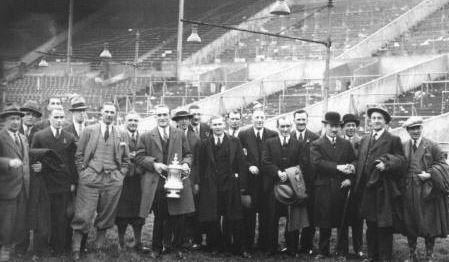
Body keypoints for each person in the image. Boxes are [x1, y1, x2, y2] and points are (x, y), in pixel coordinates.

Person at [71, 102, 130, 260]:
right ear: (100, 113)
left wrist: (120, 175)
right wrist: (83, 173)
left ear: (115, 114)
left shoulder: (122, 133)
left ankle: (98, 246)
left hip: (112, 180)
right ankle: (76, 248)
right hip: (90, 178)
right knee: (83, 214)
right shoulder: (89, 131)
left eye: (112, 112)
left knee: (106, 214)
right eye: (106, 112)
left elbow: (126, 159)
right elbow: (79, 155)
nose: (109, 114)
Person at [136, 105, 193, 259]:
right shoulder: (146, 136)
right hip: (157, 182)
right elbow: (139, 157)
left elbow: (188, 154)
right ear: (155, 117)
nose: (162, 117)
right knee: (160, 216)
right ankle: (156, 247)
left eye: (165, 115)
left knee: (179, 216)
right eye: (159, 115)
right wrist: (154, 164)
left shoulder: (179, 134)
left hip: (176, 180)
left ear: (169, 116)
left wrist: (186, 164)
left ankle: (177, 247)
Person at [353, 105, 405, 262]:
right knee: (370, 225)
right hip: (366, 190)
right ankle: (372, 256)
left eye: (379, 118)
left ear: (385, 122)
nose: (375, 121)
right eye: (373, 118)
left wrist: (387, 164)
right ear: (369, 121)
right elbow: (360, 161)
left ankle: (384, 258)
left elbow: (402, 160)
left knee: (384, 226)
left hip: (383, 190)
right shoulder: (365, 139)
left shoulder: (393, 139)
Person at [197, 116, 250, 258]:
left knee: (234, 217)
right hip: (211, 187)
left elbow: (241, 164)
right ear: (211, 126)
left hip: (231, 186)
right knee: (213, 217)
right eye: (215, 124)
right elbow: (201, 166)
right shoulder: (204, 144)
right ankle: (216, 246)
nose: (218, 127)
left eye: (220, 124)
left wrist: (242, 186)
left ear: (224, 124)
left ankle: (237, 246)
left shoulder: (234, 141)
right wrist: (202, 184)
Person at [401, 117, 449, 262]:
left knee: (429, 223)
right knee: (410, 222)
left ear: (422, 128)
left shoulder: (432, 145)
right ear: (407, 131)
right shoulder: (403, 146)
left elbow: (443, 165)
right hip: (409, 191)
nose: (415, 131)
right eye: (412, 128)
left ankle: (429, 255)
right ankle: (412, 253)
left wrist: (430, 174)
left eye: (418, 128)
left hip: (427, 191)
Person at [31, 108, 77, 255]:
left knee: (61, 217)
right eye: (56, 117)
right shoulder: (39, 136)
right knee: (43, 218)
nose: (59, 120)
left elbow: (72, 162)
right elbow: (33, 157)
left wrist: (72, 182)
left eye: (61, 117)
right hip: (45, 183)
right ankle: (41, 249)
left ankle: (59, 248)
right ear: (49, 118)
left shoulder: (69, 138)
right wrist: (40, 167)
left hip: (63, 184)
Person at [311, 112, 356, 261]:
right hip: (324, 188)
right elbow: (317, 163)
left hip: (342, 187)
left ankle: (342, 251)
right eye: (332, 126)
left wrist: (350, 177)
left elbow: (354, 161)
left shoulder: (346, 144)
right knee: (325, 221)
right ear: (325, 126)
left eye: (337, 126)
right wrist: (338, 167)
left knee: (342, 220)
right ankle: (323, 251)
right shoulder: (317, 144)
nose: (335, 129)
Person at [262, 116, 308, 256]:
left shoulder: (298, 143)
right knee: (272, 219)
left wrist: (289, 173)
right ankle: (271, 248)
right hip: (273, 187)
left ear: (291, 126)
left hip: (292, 187)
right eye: (282, 126)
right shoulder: (269, 142)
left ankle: (292, 247)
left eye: (288, 126)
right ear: (278, 128)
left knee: (291, 218)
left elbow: (302, 163)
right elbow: (265, 161)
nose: (285, 129)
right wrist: (277, 172)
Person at [238, 109, 277, 253]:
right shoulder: (243, 134)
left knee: (267, 215)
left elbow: (274, 157)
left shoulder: (273, 134)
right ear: (252, 119)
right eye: (257, 117)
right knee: (248, 216)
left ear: (265, 119)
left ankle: (264, 245)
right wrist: (249, 166)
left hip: (267, 182)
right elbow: (240, 156)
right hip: (250, 182)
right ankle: (247, 245)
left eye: (262, 117)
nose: (259, 120)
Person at [0, 105, 33, 262]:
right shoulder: (1, 137)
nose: (15, 122)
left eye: (18, 119)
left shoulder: (23, 138)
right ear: (5, 121)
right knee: (6, 220)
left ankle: (15, 247)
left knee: (19, 220)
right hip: (7, 188)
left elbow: (26, 159)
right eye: (12, 119)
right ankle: (4, 249)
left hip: (23, 187)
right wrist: (8, 162)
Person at [115, 111, 146, 251]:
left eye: (135, 120)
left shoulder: (143, 137)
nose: (133, 123)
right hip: (124, 180)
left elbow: (146, 155)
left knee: (139, 213)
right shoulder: (119, 136)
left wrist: (138, 159)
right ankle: (120, 242)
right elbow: (115, 156)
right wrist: (129, 157)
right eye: (130, 120)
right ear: (125, 121)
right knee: (122, 214)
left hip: (139, 181)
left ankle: (138, 241)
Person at [172, 110, 202, 250]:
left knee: (191, 211)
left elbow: (196, 162)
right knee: (175, 209)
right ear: (176, 121)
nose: (184, 121)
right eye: (181, 119)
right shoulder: (171, 134)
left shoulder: (195, 137)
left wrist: (195, 182)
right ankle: (176, 238)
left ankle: (192, 238)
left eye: (186, 119)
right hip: (173, 177)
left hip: (190, 178)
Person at [291, 109, 319, 255]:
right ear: (294, 120)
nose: (301, 122)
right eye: (298, 119)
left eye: (303, 119)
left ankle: (307, 245)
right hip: (293, 184)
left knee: (310, 215)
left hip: (310, 184)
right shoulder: (288, 137)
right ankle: (292, 245)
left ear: (307, 120)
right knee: (293, 214)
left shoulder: (315, 138)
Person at [341, 113, 364, 258]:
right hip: (340, 185)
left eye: (353, 126)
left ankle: (358, 248)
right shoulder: (339, 141)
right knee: (342, 218)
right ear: (343, 127)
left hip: (357, 186)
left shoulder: (362, 142)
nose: (350, 128)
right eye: (348, 125)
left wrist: (352, 179)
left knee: (357, 219)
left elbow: (362, 165)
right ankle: (343, 249)